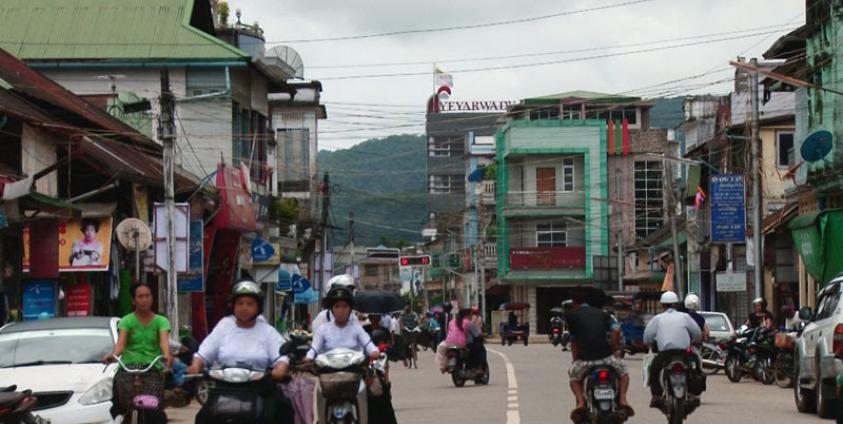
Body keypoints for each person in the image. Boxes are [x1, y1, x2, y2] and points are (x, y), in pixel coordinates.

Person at [187, 280, 294, 423]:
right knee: (203, 418)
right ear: (233, 306)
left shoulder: (267, 331)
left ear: (258, 307)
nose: (244, 307)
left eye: (250, 304)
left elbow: (281, 357)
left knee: (284, 409)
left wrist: (280, 369)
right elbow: (204, 353)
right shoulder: (223, 327)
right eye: (240, 303)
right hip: (224, 389)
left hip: (259, 389)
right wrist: (195, 366)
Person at [103, 282, 172, 421]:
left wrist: (166, 355)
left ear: (152, 298)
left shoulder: (161, 321)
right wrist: (113, 356)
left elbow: (164, 342)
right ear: (133, 300)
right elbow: (120, 345)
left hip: (152, 368)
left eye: (147, 296)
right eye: (140, 296)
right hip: (128, 368)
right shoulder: (127, 321)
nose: (144, 299)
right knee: (119, 407)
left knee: (154, 410)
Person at [566, 291, 633, 421]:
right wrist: (613, 347)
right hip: (606, 358)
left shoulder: (572, 315)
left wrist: (575, 360)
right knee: (624, 373)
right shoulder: (604, 314)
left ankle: (580, 402)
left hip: (585, 361)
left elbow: (573, 342)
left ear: (575, 302)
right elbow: (617, 329)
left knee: (574, 378)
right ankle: (623, 399)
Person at [643, 291, 703, 408]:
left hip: (665, 354)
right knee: (696, 369)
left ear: (662, 305)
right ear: (676, 304)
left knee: (654, 371)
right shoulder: (685, 317)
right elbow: (697, 334)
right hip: (684, 354)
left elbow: (647, 338)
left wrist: (650, 344)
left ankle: (656, 396)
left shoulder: (657, 319)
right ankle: (693, 393)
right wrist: (695, 341)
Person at [435, 308, 471, 373]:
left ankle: (442, 366)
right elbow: (466, 333)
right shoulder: (467, 322)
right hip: (460, 343)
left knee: (440, 348)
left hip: (448, 342)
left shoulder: (451, 322)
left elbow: (449, 331)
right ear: (466, 315)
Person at [467, 307, 488, 371]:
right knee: (481, 350)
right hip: (474, 338)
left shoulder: (457, 321)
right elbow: (478, 330)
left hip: (459, 342)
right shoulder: (477, 318)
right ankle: (480, 367)